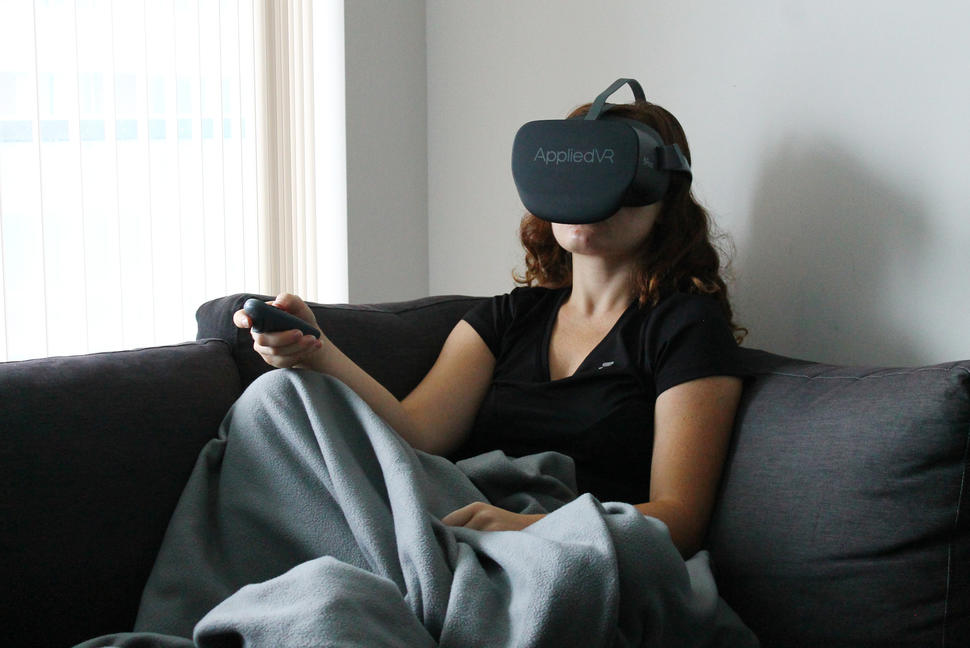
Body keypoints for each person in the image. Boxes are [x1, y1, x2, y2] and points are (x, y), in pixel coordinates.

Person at [232, 98, 746, 560]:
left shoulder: (685, 327)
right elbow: (417, 436)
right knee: (275, 399)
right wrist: (312, 349)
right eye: (569, 172)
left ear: (665, 192)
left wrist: (533, 530)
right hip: (459, 527)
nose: (587, 195)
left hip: (560, 554)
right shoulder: (508, 318)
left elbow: (681, 520)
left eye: (609, 172)